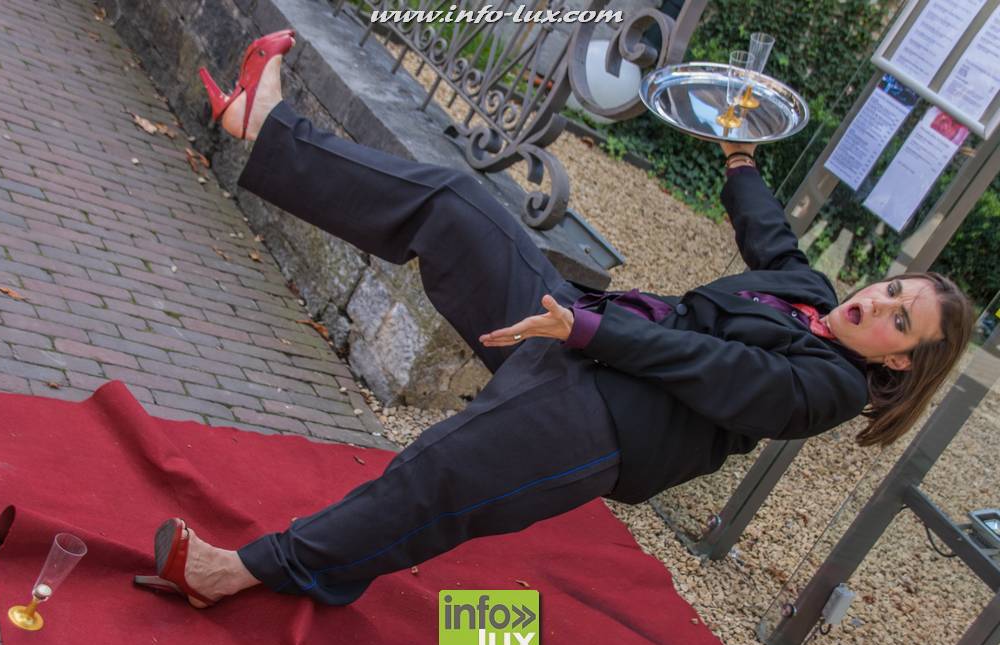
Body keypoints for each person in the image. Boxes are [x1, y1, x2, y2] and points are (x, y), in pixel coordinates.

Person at [133, 31, 975, 608]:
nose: (879, 301)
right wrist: (739, 150)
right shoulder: (814, 293)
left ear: (900, 362)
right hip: (584, 333)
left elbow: (714, 370)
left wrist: (587, 332)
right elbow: (769, 231)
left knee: (439, 471)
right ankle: (265, 128)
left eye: (900, 321)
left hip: (606, 420)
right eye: (894, 288)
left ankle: (241, 570)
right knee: (458, 204)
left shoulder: (830, 388)